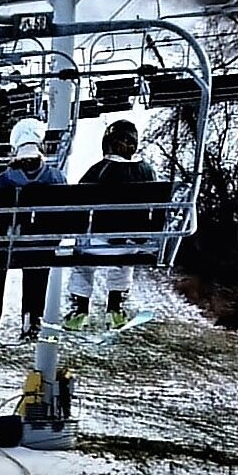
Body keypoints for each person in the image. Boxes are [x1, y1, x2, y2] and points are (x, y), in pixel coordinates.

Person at [64, 119, 157, 331]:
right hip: (129, 245)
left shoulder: (100, 170)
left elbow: (77, 203)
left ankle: (80, 311)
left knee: (83, 262)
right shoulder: (147, 172)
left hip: (97, 244)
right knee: (124, 262)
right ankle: (114, 309)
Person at [0, 118, 66, 342]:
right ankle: (32, 315)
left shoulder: (3, 181)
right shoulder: (55, 178)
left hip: (5, 249)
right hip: (39, 248)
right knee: (40, 256)